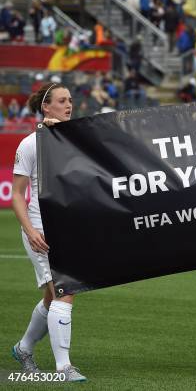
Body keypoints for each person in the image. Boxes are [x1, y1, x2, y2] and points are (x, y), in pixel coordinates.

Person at [11, 83, 86, 382]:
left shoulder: (71, 140)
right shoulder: (30, 144)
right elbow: (17, 194)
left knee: (51, 297)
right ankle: (64, 367)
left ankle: (24, 347)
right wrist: (29, 231)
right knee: (65, 291)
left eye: (71, 100)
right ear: (46, 106)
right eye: (62, 101)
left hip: (67, 228)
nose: (69, 105)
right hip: (40, 229)